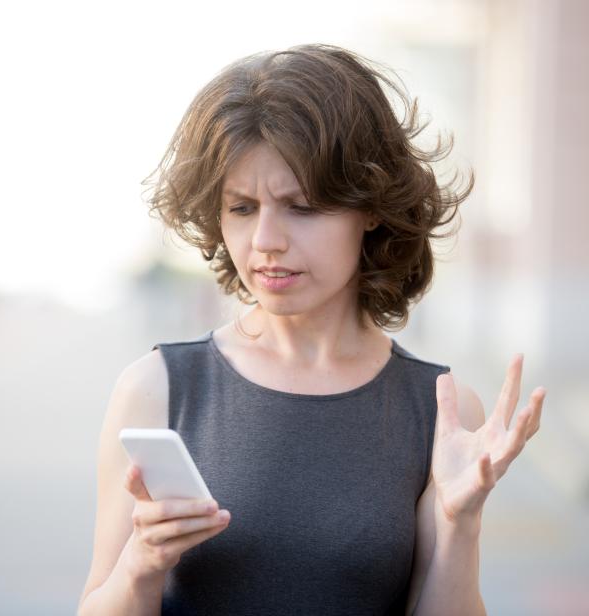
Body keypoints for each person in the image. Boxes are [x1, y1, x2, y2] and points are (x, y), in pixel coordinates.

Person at [77, 44, 546, 615]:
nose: (266, 240)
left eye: (300, 205)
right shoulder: (155, 388)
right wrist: (140, 565)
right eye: (242, 208)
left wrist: (459, 521)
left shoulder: (442, 411)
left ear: (371, 206)